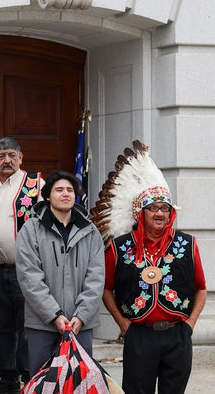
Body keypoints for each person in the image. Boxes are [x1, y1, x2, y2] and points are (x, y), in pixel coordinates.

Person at [94, 142, 206, 394]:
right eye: (153, 208)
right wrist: (123, 323)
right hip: (139, 335)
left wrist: (190, 325)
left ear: (171, 214)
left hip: (178, 335)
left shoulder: (187, 244)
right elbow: (105, 288)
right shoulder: (120, 247)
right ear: (140, 213)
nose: (160, 213)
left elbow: (201, 288)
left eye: (165, 208)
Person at [16, 171, 104, 375]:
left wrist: (81, 316)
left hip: (79, 324)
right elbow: (30, 278)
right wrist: (54, 316)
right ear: (47, 196)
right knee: (42, 381)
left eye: (70, 190)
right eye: (59, 190)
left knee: (80, 381)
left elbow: (96, 278)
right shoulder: (31, 230)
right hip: (43, 323)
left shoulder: (90, 231)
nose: (65, 194)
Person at [0, 137, 42, 392]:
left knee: (28, 328)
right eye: (1, 156)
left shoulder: (35, 185)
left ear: (21, 158)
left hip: (25, 271)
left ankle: (29, 380)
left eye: (12, 155)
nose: (7, 160)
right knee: (0, 329)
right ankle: (8, 380)